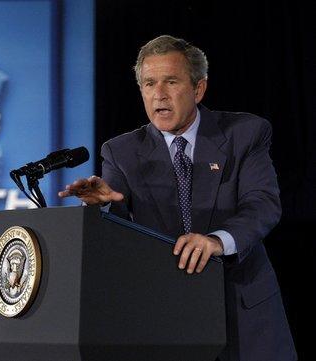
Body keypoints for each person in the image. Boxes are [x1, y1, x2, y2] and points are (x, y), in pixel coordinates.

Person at [59, 35, 296, 361]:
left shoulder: (245, 133)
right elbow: (117, 234)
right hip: (166, 314)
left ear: (198, 89)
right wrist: (107, 206)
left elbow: (262, 204)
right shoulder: (121, 151)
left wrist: (216, 241)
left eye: (171, 81)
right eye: (149, 83)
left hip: (243, 314)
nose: (159, 94)